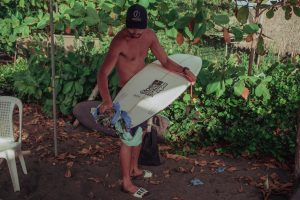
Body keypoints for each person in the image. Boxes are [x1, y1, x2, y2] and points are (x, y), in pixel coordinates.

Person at [97, 4, 196, 198]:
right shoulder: (119, 42)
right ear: (126, 24)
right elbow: (103, 73)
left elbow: (165, 61)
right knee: (127, 139)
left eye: (138, 28)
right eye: (131, 27)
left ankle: (134, 169)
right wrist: (107, 100)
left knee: (140, 133)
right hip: (126, 95)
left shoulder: (150, 36)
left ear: (146, 25)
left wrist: (184, 71)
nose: (134, 32)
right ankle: (126, 182)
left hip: (143, 91)